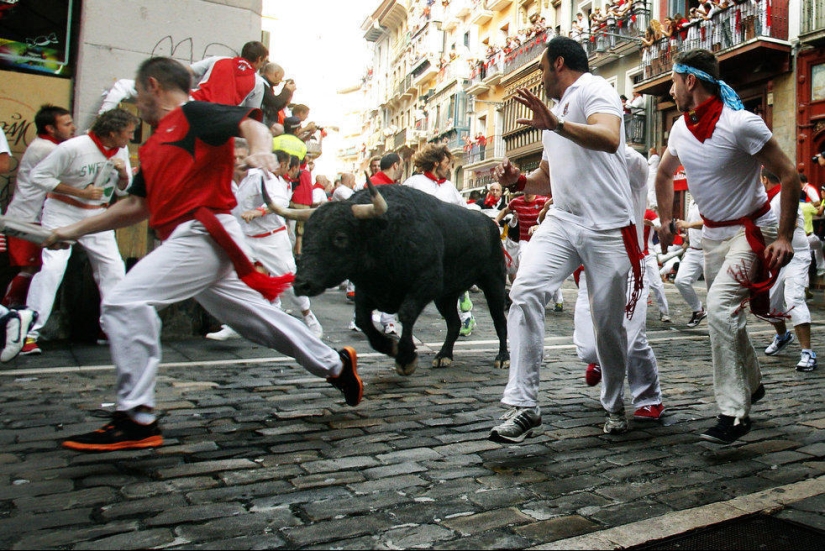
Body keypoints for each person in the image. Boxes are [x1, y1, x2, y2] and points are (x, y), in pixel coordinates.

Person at [45, 57, 362, 452]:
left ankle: (136, 416)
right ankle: (335, 364)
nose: (137, 102)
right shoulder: (158, 143)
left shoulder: (193, 113)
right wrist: (70, 231)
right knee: (256, 319)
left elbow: (251, 124)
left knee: (126, 301)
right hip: (195, 238)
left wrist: (262, 151)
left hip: (202, 233)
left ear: (153, 87)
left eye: (140, 92)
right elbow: (134, 207)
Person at [489, 36, 643, 443]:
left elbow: (609, 137)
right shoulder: (554, 113)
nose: (540, 79)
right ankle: (524, 405)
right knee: (524, 290)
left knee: (607, 327)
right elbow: (546, 177)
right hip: (563, 220)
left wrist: (555, 124)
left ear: (558, 64)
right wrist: (518, 181)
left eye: (541, 69)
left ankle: (614, 403)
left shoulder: (595, 89)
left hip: (608, 227)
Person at [655, 49, 799, 444]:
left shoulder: (741, 124)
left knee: (718, 309)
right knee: (726, 316)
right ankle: (752, 383)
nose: (670, 89)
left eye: (673, 81)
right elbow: (665, 174)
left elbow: (790, 174)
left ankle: (735, 413)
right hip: (713, 237)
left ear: (690, 81)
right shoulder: (680, 130)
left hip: (750, 232)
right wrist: (667, 220)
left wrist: (785, 236)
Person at [22, 108, 138, 355]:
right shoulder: (73, 147)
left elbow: (123, 190)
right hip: (63, 211)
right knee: (53, 268)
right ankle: (27, 333)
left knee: (113, 269)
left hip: (98, 215)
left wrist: (123, 174)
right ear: (112, 132)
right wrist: (79, 192)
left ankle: (111, 329)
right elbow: (38, 177)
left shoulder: (121, 150)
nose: (130, 138)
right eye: (127, 133)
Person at [574, 145, 666, 422]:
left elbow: (638, 165)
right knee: (589, 347)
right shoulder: (580, 172)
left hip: (631, 266)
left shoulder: (632, 163)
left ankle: (649, 399)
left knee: (633, 339)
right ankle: (602, 358)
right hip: (592, 268)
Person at [3, 105, 77, 308]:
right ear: (50, 129)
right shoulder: (46, 149)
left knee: (35, 269)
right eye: (67, 124)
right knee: (30, 269)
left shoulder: (47, 146)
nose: (73, 127)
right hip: (27, 219)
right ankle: (10, 315)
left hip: (33, 217)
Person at [403, 143, 477, 337]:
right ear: (436, 163)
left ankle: (467, 316)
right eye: (447, 163)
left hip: (449, 244)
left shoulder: (449, 188)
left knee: (457, 280)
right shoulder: (414, 184)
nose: (449, 168)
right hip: (421, 246)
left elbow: (463, 211)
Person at [760, 168, 816, 372]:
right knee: (770, 303)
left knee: (794, 299)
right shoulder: (768, 199)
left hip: (796, 255)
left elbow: (789, 223)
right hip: (777, 257)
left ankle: (808, 352)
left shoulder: (783, 196)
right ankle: (783, 336)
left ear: (765, 180)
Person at [190, 41, 269, 108]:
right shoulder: (258, 83)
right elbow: (252, 112)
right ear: (259, 59)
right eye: (263, 61)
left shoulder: (218, 60)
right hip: (221, 118)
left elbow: (186, 70)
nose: (262, 65)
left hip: (194, 105)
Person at [673, 199, 707, 327]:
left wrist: (688, 225)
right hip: (693, 250)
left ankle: (722, 324)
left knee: (714, 289)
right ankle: (698, 310)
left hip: (708, 251)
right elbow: (690, 227)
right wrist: (686, 241)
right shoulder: (692, 202)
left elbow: (711, 223)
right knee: (680, 281)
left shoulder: (709, 198)